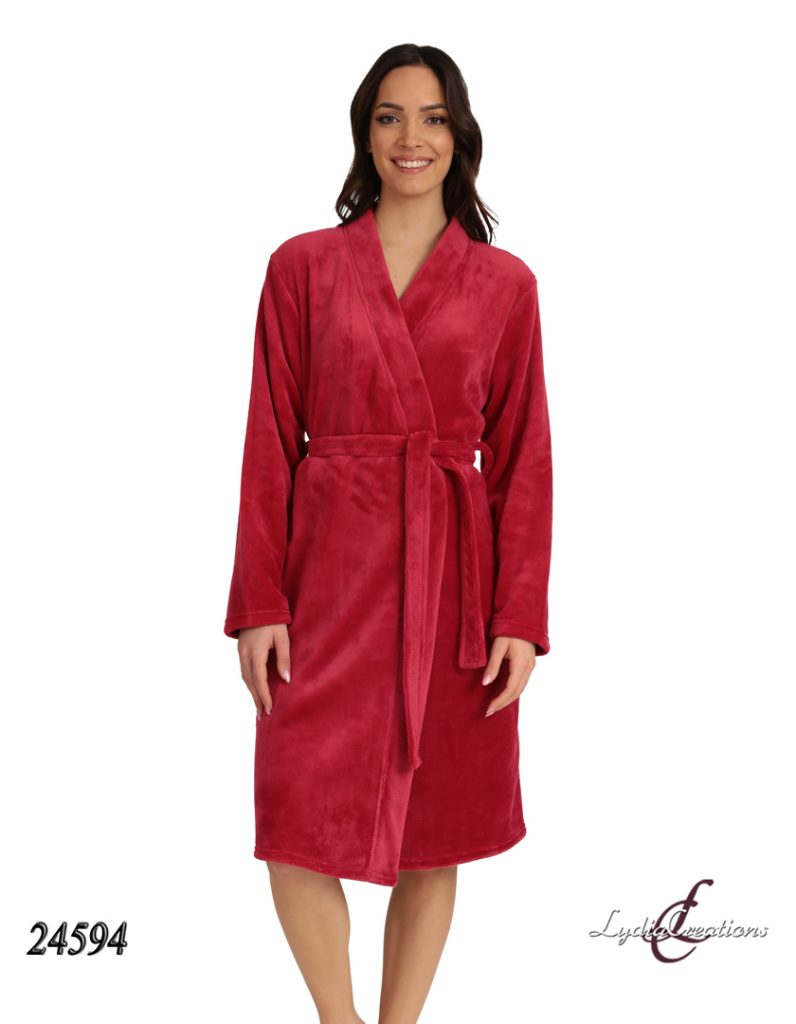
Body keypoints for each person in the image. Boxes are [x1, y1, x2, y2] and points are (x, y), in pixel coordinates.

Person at [224, 42, 553, 1024]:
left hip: (453, 584)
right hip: (326, 578)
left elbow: (525, 460)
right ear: (365, 135)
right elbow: (268, 443)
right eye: (390, 116)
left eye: (433, 117)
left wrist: (519, 616)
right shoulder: (302, 268)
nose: (412, 137)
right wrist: (259, 602)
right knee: (294, 814)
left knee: (434, 826)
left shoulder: (504, 285)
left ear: (460, 136)